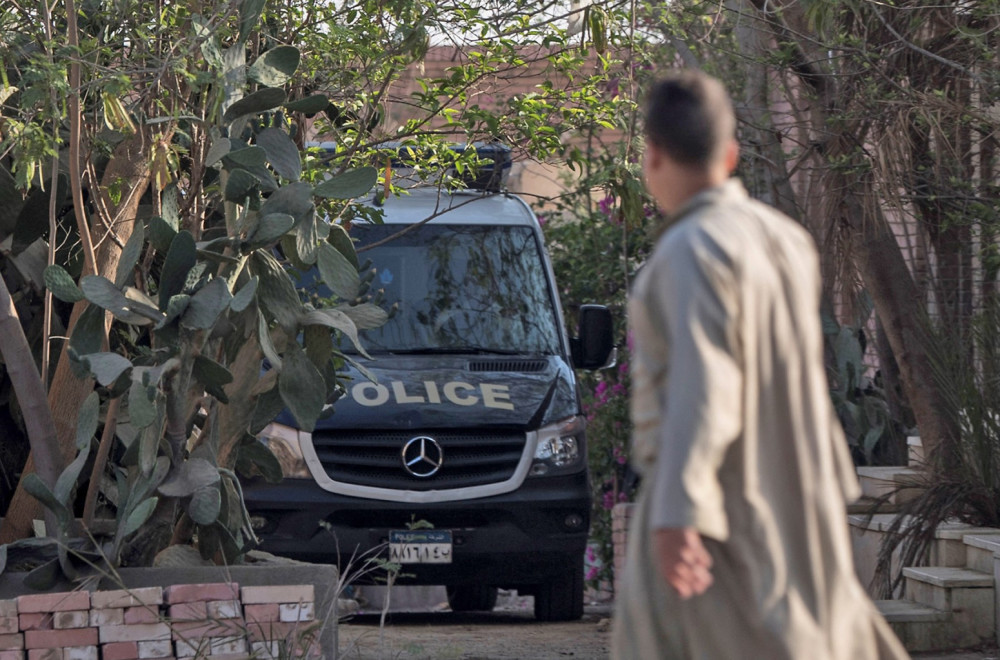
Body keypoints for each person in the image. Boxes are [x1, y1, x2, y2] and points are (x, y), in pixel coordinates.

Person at [611, 70, 909, 659]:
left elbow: (704, 388)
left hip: (717, 513)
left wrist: (677, 513)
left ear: (652, 155)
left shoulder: (688, 251)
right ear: (730, 154)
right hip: (798, 502)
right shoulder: (784, 240)